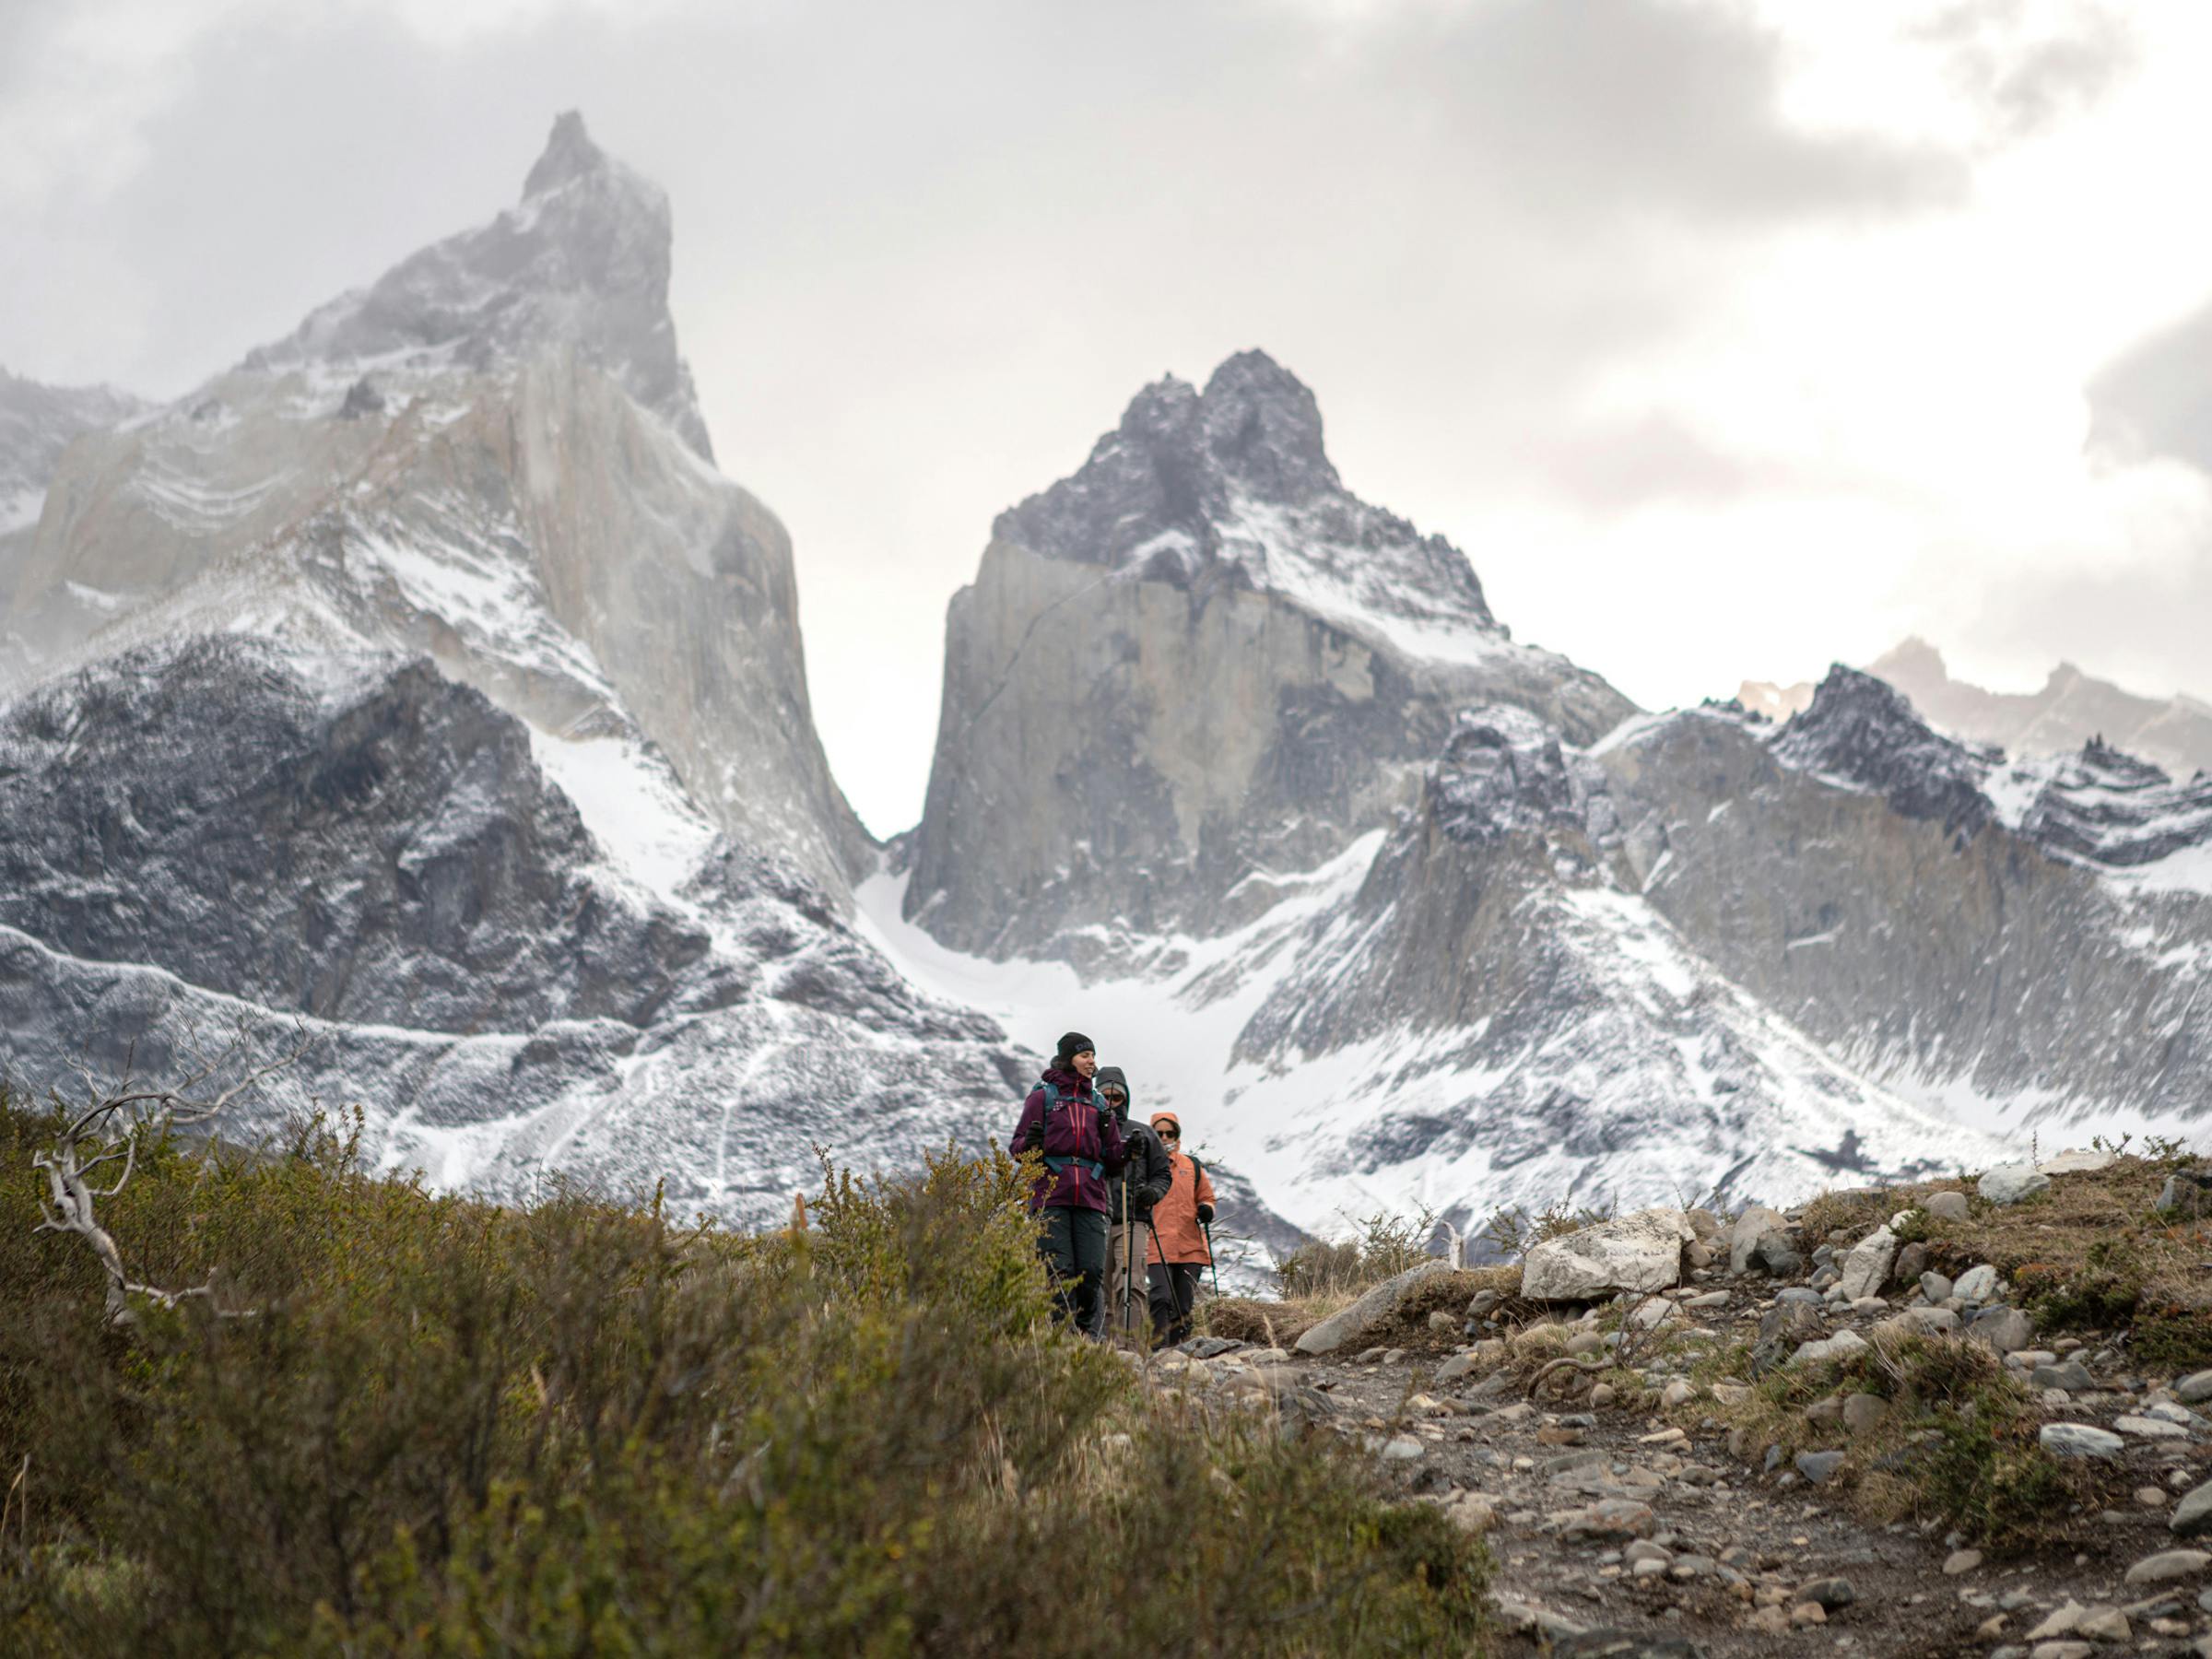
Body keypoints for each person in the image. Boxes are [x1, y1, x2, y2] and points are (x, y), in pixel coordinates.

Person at [1009, 1032, 1125, 1331]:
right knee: (1060, 1272)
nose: (1091, 1061)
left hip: (1091, 1196)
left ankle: (1086, 1337)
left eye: (1093, 1055)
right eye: (1085, 1055)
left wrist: (1127, 1153)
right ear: (1068, 1059)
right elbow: (1017, 1148)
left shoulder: (1099, 1104)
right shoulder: (1042, 1097)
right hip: (1051, 1196)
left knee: (1091, 1272)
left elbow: (1112, 1159)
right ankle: (1064, 1340)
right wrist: (1031, 1144)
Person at [1091, 1065, 1171, 1338]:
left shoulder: (1144, 1133)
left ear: (1126, 1097)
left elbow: (1163, 1174)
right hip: (1096, 1217)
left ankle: (1131, 1348)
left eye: (1117, 1098)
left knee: (1130, 1282)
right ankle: (1105, 1350)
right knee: (1100, 1288)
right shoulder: (1088, 1129)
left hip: (1132, 1218)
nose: (1112, 1103)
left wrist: (1153, 1192)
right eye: (1105, 1097)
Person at [1144, 1112, 1215, 1345]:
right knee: (1160, 1298)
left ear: (1177, 1135)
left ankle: (1180, 1352)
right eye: (1159, 1133)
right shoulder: (1143, 1166)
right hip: (1156, 1244)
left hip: (1189, 1246)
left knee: (1184, 1304)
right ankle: (1158, 1351)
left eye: (1170, 1133)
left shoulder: (1191, 1166)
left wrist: (1206, 1209)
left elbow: (1207, 1197)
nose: (1164, 1137)